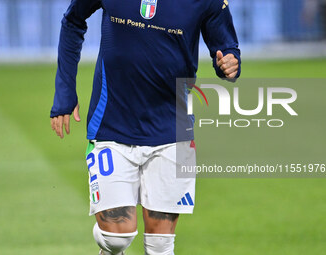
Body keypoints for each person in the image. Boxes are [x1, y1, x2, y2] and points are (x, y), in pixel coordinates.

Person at [50, 0, 240, 254]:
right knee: (116, 237)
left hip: (172, 130)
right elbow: (73, 20)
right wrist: (65, 91)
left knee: (160, 246)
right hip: (112, 125)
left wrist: (229, 63)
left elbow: (226, 48)